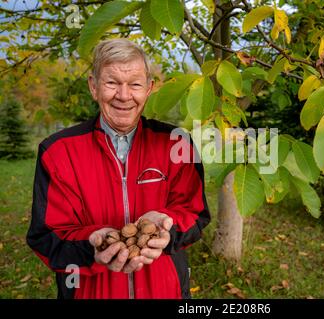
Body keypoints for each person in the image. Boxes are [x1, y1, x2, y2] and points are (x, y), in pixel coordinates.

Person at [26, 38, 211, 299]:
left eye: (135, 84)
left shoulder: (176, 143)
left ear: (149, 89)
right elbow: (45, 237)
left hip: (165, 290)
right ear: (94, 86)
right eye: (111, 83)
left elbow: (196, 214)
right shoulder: (57, 152)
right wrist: (93, 245)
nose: (123, 96)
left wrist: (168, 231)